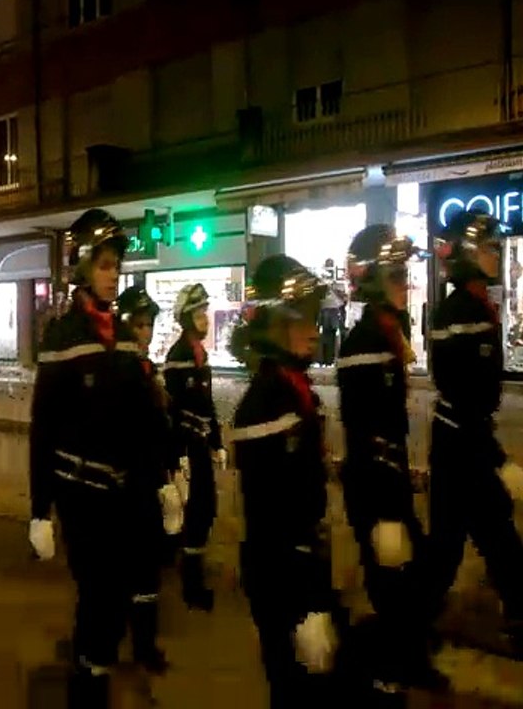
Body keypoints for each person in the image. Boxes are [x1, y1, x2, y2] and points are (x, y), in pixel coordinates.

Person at [29, 209, 169, 707]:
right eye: (105, 264)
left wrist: (162, 480)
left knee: (116, 600)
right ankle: (86, 691)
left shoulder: (127, 338)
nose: (114, 274)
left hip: (125, 492)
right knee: (99, 595)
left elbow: (145, 420)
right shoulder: (63, 337)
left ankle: (97, 670)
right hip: (79, 492)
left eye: (117, 265)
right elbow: (42, 427)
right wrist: (38, 509)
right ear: (83, 269)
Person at [230, 255, 345, 707]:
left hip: (301, 567)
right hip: (283, 576)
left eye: (315, 316)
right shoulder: (265, 403)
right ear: (274, 324)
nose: (314, 328)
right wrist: (306, 601)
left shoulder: (293, 389)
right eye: (301, 318)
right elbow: (273, 515)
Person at [336, 224, 446, 693]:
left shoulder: (385, 334)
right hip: (376, 487)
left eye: (406, 273)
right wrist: (386, 509)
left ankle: (406, 655)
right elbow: (365, 427)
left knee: (412, 577)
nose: (407, 283)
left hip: (390, 480)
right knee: (395, 583)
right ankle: (388, 673)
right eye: (397, 275)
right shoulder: (364, 343)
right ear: (376, 279)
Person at [428, 209, 523, 657]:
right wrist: (493, 454)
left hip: (463, 440)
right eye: (488, 248)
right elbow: (463, 389)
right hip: (460, 443)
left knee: (457, 540)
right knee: (492, 533)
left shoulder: (473, 302)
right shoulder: (461, 309)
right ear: (468, 254)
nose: (495, 254)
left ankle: (416, 616)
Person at [116, 285, 183, 674]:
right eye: (139, 325)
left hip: (151, 479)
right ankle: (133, 643)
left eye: (149, 325)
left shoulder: (146, 369)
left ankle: (144, 642)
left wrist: (175, 465)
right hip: (130, 485)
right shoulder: (122, 372)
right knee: (134, 567)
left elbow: (160, 426)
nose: (146, 332)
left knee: (148, 569)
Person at [163, 283, 227, 611]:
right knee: (195, 514)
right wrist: (178, 456)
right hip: (187, 449)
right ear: (186, 318)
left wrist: (216, 441)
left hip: (200, 447)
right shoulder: (179, 358)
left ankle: (189, 573)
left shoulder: (200, 356)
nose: (205, 318)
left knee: (204, 511)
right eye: (199, 313)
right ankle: (191, 584)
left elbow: (207, 405)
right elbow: (173, 411)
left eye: (205, 311)